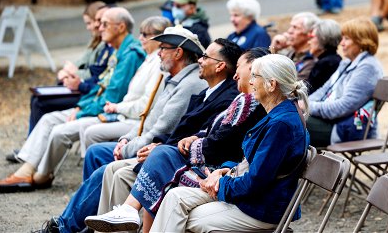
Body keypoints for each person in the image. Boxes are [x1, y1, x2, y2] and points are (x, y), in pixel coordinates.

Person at [33, 37, 241, 233]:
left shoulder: (216, 94)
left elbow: (188, 135)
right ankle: (95, 223)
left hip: (184, 161)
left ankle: (71, 225)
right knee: (107, 164)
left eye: (205, 57)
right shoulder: (203, 90)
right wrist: (131, 141)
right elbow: (153, 119)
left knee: (115, 169)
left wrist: (147, 146)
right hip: (162, 148)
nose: (200, 60)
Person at [83, 48, 270, 232]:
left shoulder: (247, 102)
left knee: (156, 158)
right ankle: (124, 212)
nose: (236, 75)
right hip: (210, 165)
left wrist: (188, 146)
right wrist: (194, 137)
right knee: (123, 167)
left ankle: (127, 210)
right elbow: (212, 131)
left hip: (212, 170)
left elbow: (221, 143)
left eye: (239, 67)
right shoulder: (241, 98)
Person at [139, 54, 309, 232]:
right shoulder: (279, 115)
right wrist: (223, 171)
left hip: (260, 208)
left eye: (255, 76)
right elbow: (253, 162)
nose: (250, 82)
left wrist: (221, 184)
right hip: (252, 196)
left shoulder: (280, 124)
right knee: (174, 196)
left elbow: (256, 181)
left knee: (179, 216)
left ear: (272, 84)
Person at [0, 7, 145, 192]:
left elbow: (112, 96)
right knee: (48, 119)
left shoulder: (130, 54)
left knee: (60, 131)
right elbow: (99, 87)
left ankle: (40, 175)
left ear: (121, 27)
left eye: (105, 24)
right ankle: (27, 170)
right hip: (96, 106)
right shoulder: (118, 50)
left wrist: (82, 111)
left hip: (111, 113)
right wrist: (79, 107)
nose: (100, 28)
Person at [76, 16, 171, 157]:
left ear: (159, 38)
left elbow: (145, 105)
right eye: (140, 34)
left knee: (90, 132)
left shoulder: (158, 64)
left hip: (136, 120)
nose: (140, 38)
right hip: (126, 115)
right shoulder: (149, 59)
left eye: (145, 35)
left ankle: (100, 171)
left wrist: (117, 107)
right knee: (84, 127)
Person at [24, 3, 112, 136]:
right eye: (96, 22)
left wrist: (76, 79)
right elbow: (84, 65)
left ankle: (33, 147)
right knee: (37, 98)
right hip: (85, 90)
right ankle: (31, 144)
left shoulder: (112, 49)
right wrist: (69, 74)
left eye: (98, 22)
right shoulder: (99, 43)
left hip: (89, 96)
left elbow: (96, 78)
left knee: (40, 103)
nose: (94, 26)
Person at [307, 17, 383, 147]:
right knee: (284, 119)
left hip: (345, 129)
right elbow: (324, 91)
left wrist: (307, 107)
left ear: (362, 42)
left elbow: (342, 107)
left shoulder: (367, 68)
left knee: (286, 124)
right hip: (330, 122)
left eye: (346, 39)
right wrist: (303, 104)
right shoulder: (347, 63)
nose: (341, 43)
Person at [270, 12, 320, 80]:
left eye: (295, 27)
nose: (289, 31)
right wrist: (274, 48)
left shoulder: (312, 60)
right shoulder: (292, 53)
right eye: (291, 27)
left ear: (310, 33)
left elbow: (290, 86)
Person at [306, 19, 342, 94]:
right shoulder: (334, 59)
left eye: (311, 37)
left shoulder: (326, 63)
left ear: (322, 38)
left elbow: (310, 91)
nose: (308, 42)